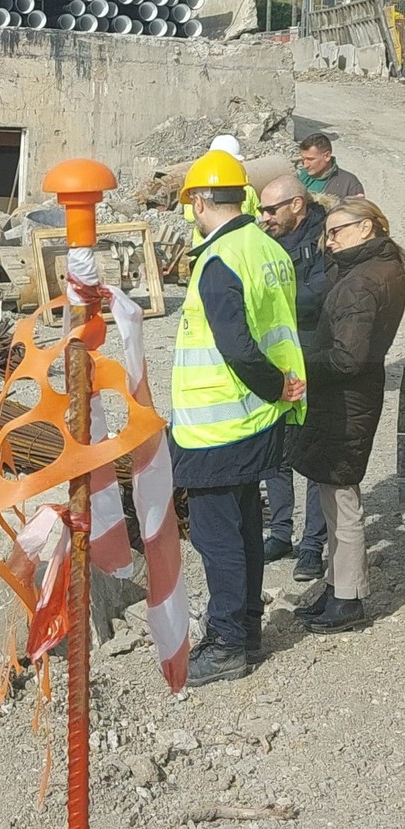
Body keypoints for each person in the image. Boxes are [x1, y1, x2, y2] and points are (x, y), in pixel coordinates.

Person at [169, 150, 306, 687]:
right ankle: (247, 629)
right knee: (248, 529)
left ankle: (226, 642)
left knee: (219, 538)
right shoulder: (265, 247)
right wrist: (278, 392)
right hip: (255, 420)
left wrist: (273, 383)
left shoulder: (219, 259)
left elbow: (238, 347)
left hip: (216, 428)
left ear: (200, 201)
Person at [290, 198, 405, 633]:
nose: (328, 240)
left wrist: (298, 360)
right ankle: (337, 586)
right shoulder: (384, 265)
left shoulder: (362, 282)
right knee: (336, 491)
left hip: (345, 400)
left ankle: (349, 597)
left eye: (336, 231)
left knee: (341, 497)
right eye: (327, 232)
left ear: (366, 228)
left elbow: (347, 358)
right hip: (356, 394)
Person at [258, 175, 329, 580]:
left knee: (313, 453)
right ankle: (280, 532)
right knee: (278, 451)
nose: (264, 217)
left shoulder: (324, 238)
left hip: (313, 356)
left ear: (297, 206)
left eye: (271, 210)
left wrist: (277, 301)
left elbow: (320, 291)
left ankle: (312, 544)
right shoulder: (266, 237)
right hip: (278, 358)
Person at [183, 135, 260, 247]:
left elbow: (257, 212)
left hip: (239, 244)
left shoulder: (247, 189)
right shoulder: (200, 188)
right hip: (206, 245)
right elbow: (189, 216)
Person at [298, 133, 364, 198]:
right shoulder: (300, 176)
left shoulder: (349, 184)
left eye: (310, 159)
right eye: (303, 159)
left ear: (327, 156)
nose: (305, 165)